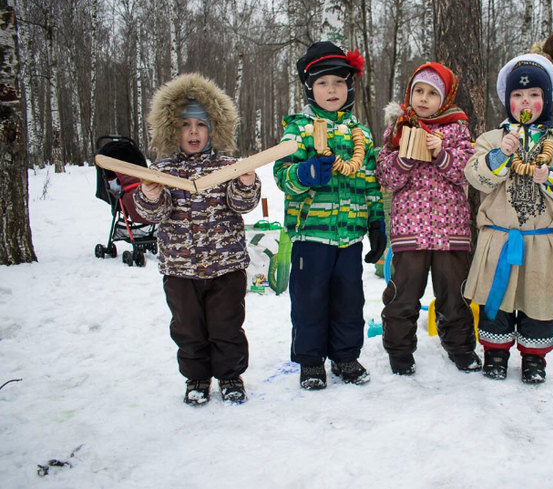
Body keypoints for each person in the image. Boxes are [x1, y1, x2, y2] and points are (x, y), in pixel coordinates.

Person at [133, 73, 260, 406]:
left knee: (227, 326)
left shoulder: (229, 166)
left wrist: (246, 183)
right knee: (188, 329)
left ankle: (230, 376)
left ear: (213, 129)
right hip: (180, 270)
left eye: (200, 125)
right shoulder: (161, 169)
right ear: (171, 129)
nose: (193, 132)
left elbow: (242, 205)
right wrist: (150, 194)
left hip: (226, 266)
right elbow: (153, 213)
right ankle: (197, 378)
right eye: (185, 125)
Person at [463, 54, 553, 383]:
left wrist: (552, 177)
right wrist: (501, 154)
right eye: (518, 95)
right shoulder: (490, 139)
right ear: (508, 101)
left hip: (540, 241)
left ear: (547, 99)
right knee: (497, 300)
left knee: (538, 299)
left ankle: (534, 358)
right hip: (499, 239)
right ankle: (495, 352)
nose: (526, 101)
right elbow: (476, 176)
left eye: (534, 95)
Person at [273, 41, 385, 390]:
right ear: (310, 89)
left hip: (350, 236)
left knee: (349, 300)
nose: (332, 89)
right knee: (309, 301)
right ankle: (310, 362)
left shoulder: (361, 134)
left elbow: (370, 182)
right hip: (311, 235)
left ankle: (345, 356)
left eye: (339, 82)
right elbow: (281, 175)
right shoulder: (299, 129)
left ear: (349, 87)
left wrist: (376, 221)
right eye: (323, 83)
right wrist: (304, 173)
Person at [376, 63, 479, 376]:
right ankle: (400, 351)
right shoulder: (398, 128)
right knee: (403, 295)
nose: (423, 98)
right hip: (410, 230)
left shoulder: (457, 129)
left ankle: (461, 348)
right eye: (418, 91)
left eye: (432, 93)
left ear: (444, 99)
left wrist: (441, 153)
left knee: (454, 295)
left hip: (451, 230)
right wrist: (404, 157)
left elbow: (469, 171)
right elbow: (385, 176)